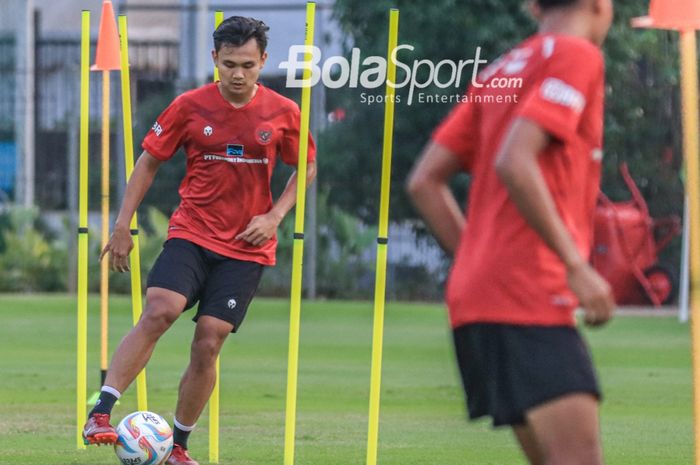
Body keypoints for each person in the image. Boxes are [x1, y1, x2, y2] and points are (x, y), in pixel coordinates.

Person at [82, 16, 316, 465]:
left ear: (263, 61)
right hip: (192, 232)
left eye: (248, 64)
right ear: (214, 59)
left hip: (247, 248)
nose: (238, 73)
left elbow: (305, 166)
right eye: (229, 63)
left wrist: (275, 215)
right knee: (160, 310)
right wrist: (122, 226)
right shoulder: (189, 106)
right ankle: (101, 412)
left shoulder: (283, 112)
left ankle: (179, 448)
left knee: (209, 340)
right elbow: (148, 162)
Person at [407, 1, 615, 464]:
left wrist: (479, 260)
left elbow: (424, 181)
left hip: (477, 298)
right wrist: (576, 266)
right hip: (530, 294)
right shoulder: (577, 55)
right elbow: (514, 161)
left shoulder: (501, 69)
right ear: (602, 4)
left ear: (534, 6)